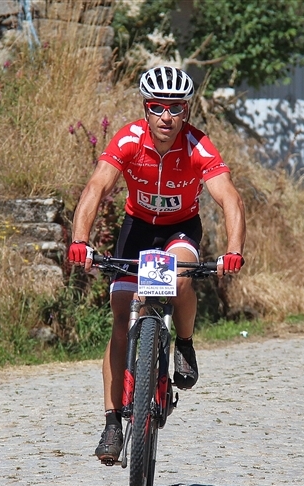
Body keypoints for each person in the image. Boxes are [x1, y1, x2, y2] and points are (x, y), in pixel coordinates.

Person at [67, 65, 246, 464]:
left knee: (179, 277)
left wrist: (233, 249)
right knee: (120, 317)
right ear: (146, 110)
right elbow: (98, 186)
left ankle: (183, 344)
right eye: (158, 107)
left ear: (186, 111)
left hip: (179, 230)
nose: (167, 116)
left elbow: (229, 198)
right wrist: (80, 240)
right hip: (137, 230)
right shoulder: (130, 139)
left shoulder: (198, 146)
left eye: (176, 108)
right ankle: (113, 423)